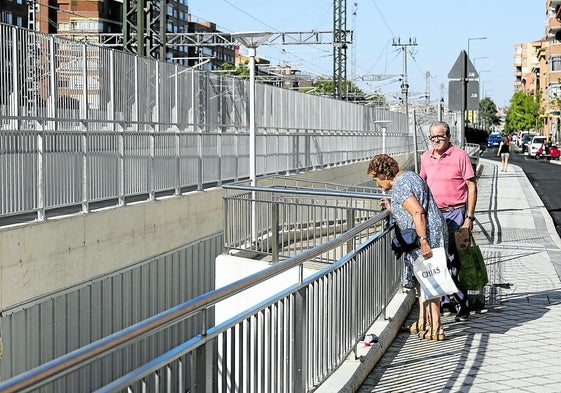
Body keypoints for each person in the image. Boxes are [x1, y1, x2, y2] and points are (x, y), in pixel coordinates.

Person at [367, 154, 449, 340]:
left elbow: (417, 211)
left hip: (423, 235)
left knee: (429, 279)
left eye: (375, 179)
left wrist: (423, 241)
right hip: (435, 229)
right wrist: (393, 207)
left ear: (385, 174)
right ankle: (428, 324)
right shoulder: (410, 176)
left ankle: (437, 327)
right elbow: (414, 203)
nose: (376, 184)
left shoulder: (399, 186)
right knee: (428, 278)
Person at [420, 121, 477, 322]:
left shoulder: (460, 156)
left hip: (456, 214)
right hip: (434, 215)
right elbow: (422, 186)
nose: (436, 141)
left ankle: (462, 305)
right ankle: (445, 301)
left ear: (448, 137)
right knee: (438, 260)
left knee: (455, 262)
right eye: (432, 137)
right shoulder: (425, 157)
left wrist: (469, 217)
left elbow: (471, 186)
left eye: (440, 137)